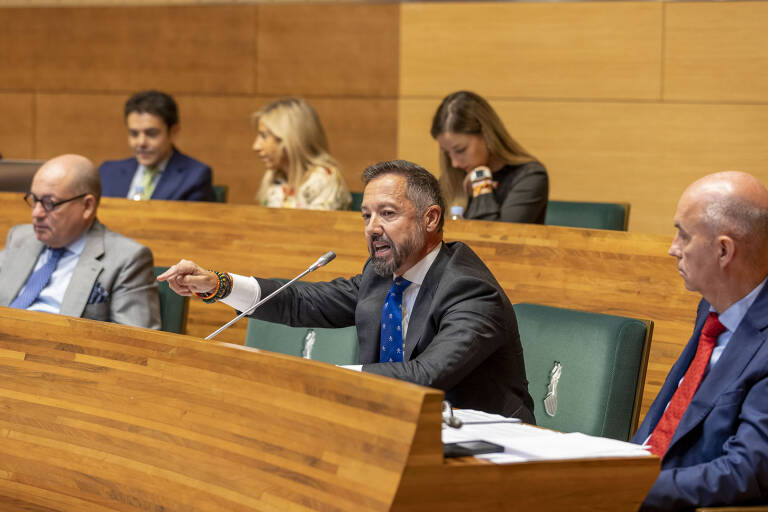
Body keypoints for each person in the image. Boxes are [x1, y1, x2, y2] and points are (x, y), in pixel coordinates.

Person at [159, 160, 534, 420]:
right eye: (366, 215)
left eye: (387, 214)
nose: (372, 227)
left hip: (488, 450)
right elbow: (299, 302)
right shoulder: (380, 274)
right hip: (404, 431)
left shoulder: (469, 289)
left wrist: (329, 379)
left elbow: (426, 375)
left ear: (431, 218)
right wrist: (218, 285)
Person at [631, 171, 768, 510]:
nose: (672, 249)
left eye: (683, 235)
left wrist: (625, 487)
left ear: (724, 251)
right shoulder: (713, 305)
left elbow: (746, 472)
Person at [0, 154, 161, 329]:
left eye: (50, 203)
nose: (36, 213)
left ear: (87, 206)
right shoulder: (20, 237)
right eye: (34, 200)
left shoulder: (127, 259)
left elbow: (135, 344)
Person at [431, 90, 548, 223]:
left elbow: (496, 239)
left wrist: (481, 182)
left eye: (460, 150)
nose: (454, 163)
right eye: (447, 152)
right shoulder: (453, 176)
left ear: (487, 136)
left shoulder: (530, 177)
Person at [99, 90, 215, 202]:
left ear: (173, 132)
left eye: (151, 134)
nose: (141, 142)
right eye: (134, 134)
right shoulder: (108, 172)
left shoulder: (194, 176)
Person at [253, 97, 351, 210]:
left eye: (264, 136)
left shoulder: (324, 180)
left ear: (289, 138)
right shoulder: (274, 176)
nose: (256, 146)